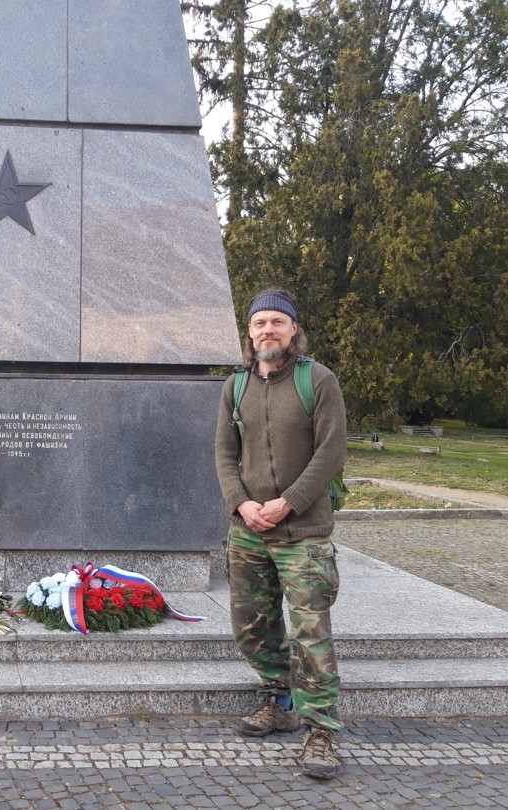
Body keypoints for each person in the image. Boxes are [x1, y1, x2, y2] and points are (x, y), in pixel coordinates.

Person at [214, 288, 347, 780]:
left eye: (277, 322)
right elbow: (225, 455)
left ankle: (320, 731)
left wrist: (286, 502)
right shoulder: (236, 386)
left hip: (303, 530)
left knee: (311, 631)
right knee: (251, 624)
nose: (267, 330)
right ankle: (279, 699)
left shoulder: (320, 381)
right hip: (249, 529)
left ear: (294, 329)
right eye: (259, 323)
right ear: (249, 332)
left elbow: (331, 453)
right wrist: (242, 503)